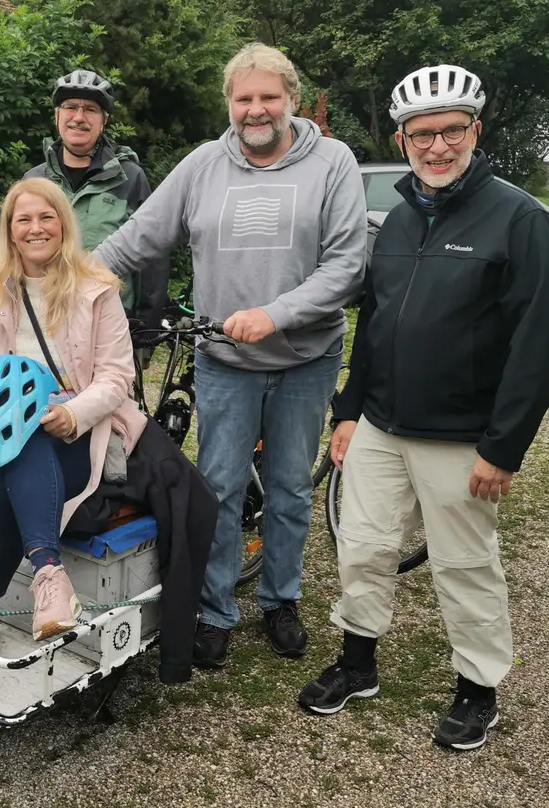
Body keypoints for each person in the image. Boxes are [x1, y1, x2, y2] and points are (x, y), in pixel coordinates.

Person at [295, 65, 549, 753]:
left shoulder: (519, 218)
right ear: (402, 137)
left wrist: (505, 447)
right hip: (382, 424)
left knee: (464, 565)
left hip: (462, 435)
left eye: (451, 131)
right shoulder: (400, 216)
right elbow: (376, 322)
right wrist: (349, 410)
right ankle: (358, 663)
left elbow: (536, 345)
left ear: (476, 130)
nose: (437, 147)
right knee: (362, 547)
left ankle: (478, 690)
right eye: (422, 134)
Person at [92, 43, 368, 668]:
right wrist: (72, 277)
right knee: (215, 488)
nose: (256, 109)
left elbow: (348, 265)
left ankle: (280, 599)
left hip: (304, 359)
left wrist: (276, 314)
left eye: (269, 96)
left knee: (290, 489)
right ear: (229, 103)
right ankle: (216, 610)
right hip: (224, 361)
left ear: (292, 100)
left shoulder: (333, 162)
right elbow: (138, 239)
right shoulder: (202, 166)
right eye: (244, 98)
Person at [0, 177, 147, 667]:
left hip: (79, 427)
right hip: (3, 425)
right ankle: (49, 574)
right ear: (10, 231)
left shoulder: (98, 288)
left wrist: (73, 412)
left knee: (15, 462)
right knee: (18, 446)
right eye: (24, 219)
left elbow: (118, 375)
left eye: (46, 217)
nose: (36, 229)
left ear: (63, 224)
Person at [25, 70, 168, 342]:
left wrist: (147, 327)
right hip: (42, 321)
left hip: (111, 322)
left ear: (104, 121)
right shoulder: (34, 180)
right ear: (57, 117)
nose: (79, 117)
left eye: (90, 109)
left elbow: (152, 253)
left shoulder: (131, 177)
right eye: (70, 107)